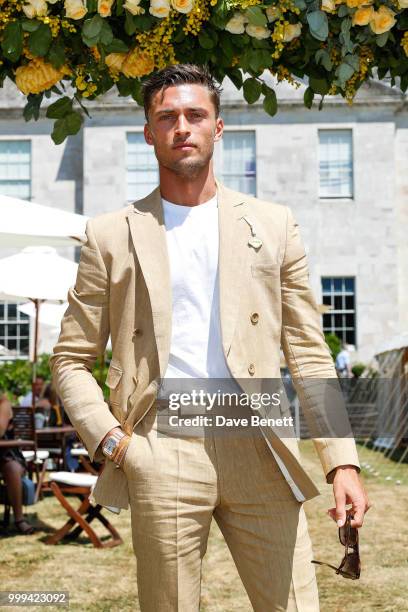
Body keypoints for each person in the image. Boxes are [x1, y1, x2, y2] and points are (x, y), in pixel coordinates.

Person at [50, 64, 371, 611]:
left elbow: (307, 350)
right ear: (148, 132)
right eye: (167, 116)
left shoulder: (273, 225)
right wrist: (118, 445)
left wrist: (341, 460)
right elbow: (71, 358)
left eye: (196, 115)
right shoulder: (110, 234)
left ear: (218, 127)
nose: (183, 126)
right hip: (163, 445)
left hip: (260, 437)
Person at [0, 394, 35, 534]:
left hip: (7, 455)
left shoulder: (3, 402)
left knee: (12, 468)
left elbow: (0, 430)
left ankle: (19, 519)